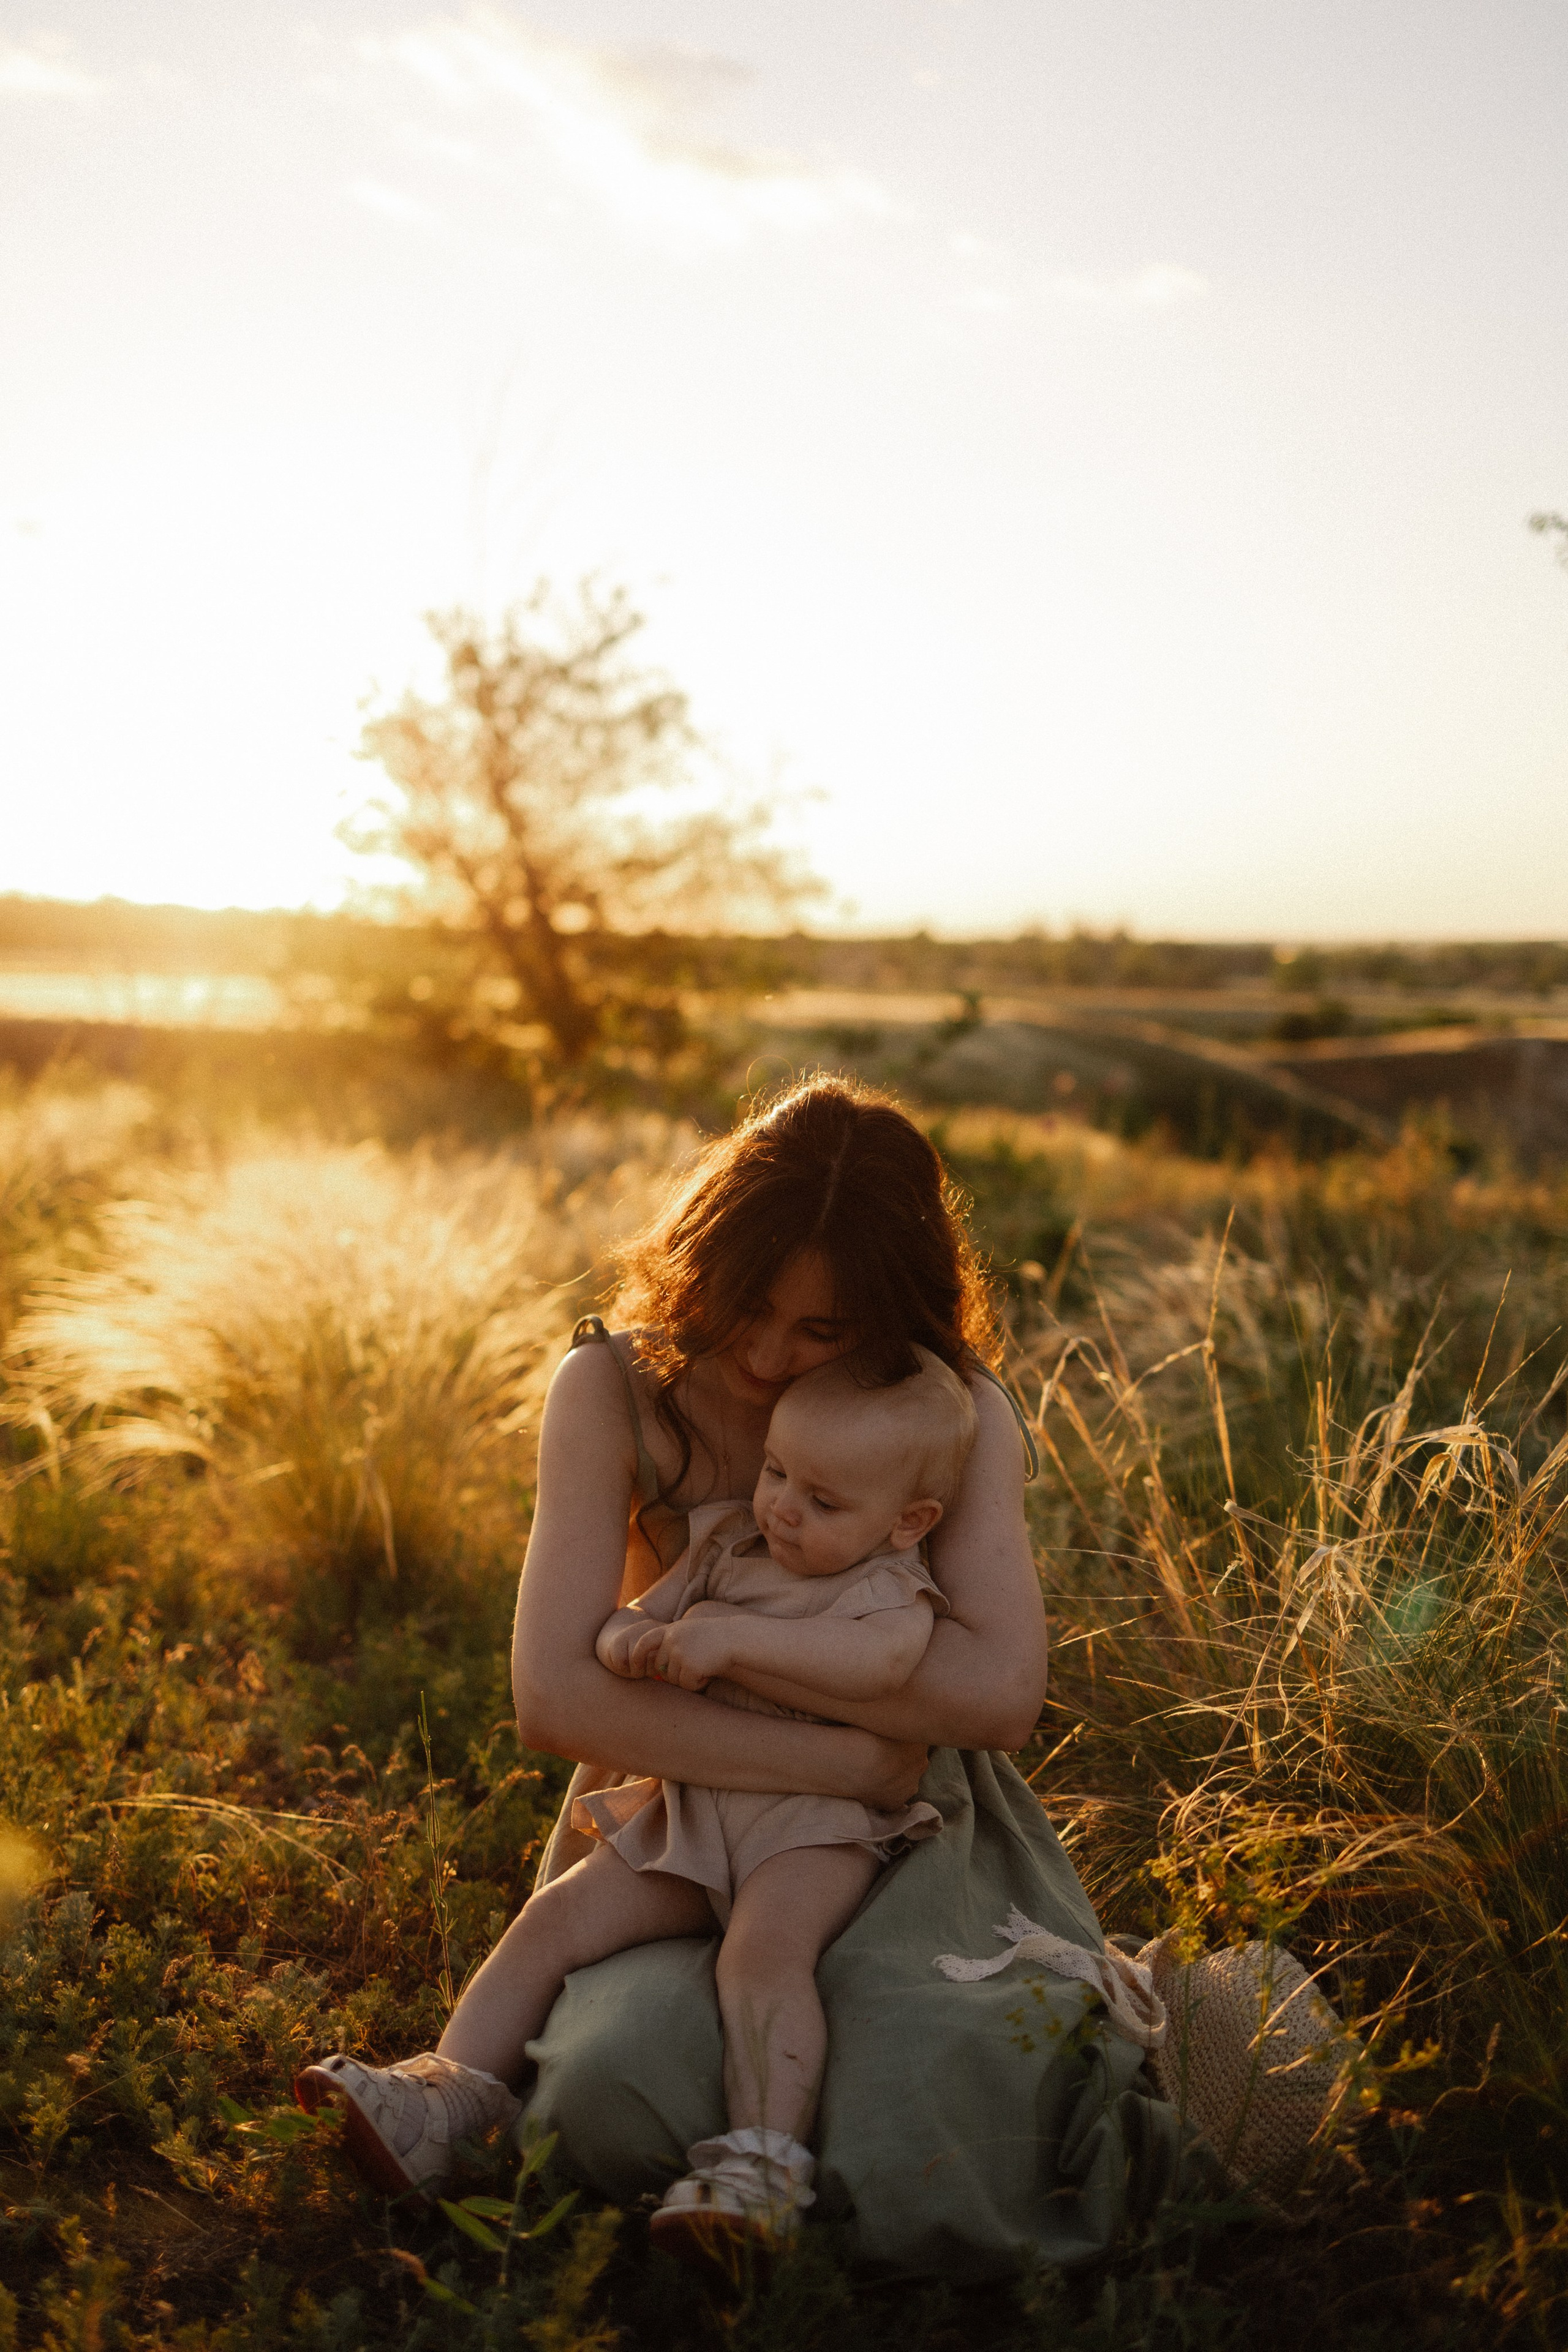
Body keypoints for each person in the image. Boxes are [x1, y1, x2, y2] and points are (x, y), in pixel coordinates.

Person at [297, 1077, 1195, 2278]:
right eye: (749, 1306)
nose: (771, 1357)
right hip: (680, 1803)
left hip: (907, 1829)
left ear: (891, 1310)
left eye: (822, 1331)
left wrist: (836, 1747)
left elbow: (992, 1697)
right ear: (699, 1260)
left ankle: (778, 2176)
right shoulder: (612, 1392)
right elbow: (557, 1700)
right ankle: (465, 2102)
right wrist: (844, 1751)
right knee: (609, 2098)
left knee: (915, 2108)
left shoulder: (949, 1412)